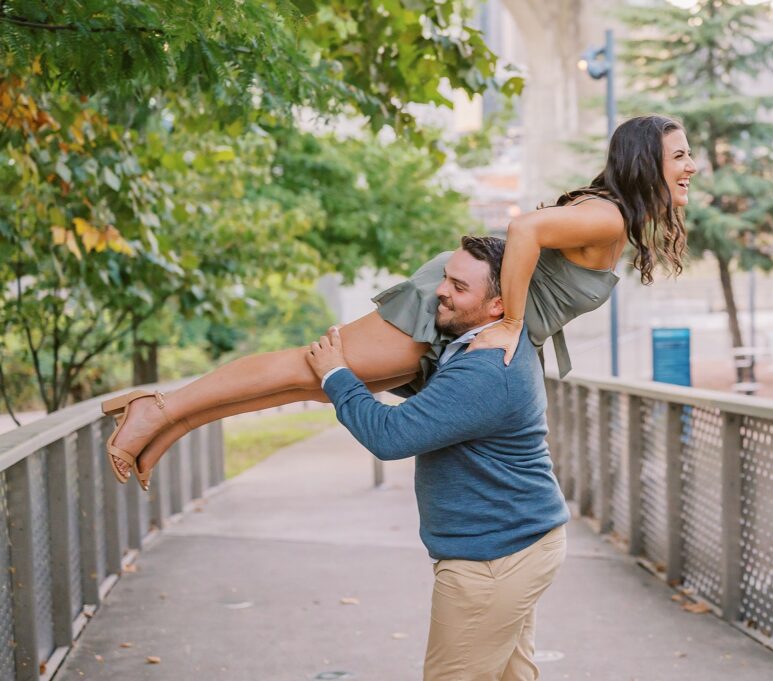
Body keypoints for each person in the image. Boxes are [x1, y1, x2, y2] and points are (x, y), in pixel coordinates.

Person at [101, 114, 697, 490]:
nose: (691, 165)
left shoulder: (613, 219)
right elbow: (524, 231)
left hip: (470, 314)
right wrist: (512, 321)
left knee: (313, 384)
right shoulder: (607, 215)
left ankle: (168, 422)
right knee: (303, 365)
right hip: (463, 304)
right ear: (646, 163)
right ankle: (161, 406)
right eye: (679, 155)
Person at [305, 235, 568, 680]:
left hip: (494, 558)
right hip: (518, 541)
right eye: (446, 277)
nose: (441, 290)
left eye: (459, 287)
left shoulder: (488, 369)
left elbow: (390, 437)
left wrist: (336, 376)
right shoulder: (478, 343)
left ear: (497, 307)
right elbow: (438, 401)